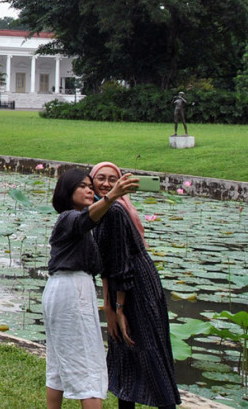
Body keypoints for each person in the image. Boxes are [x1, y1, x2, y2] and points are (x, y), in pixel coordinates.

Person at [44, 168, 137, 409]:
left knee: (58, 364)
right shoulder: (69, 218)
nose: (89, 190)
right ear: (67, 192)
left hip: (60, 289)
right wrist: (112, 195)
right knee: (89, 367)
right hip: (73, 291)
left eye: (90, 186)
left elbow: (95, 219)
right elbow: (86, 219)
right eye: (82, 186)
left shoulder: (78, 223)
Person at [92, 166, 181, 409]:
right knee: (124, 356)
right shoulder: (101, 210)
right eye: (101, 178)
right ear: (91, 181)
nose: (106, 184)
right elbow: (108, 265)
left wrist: (119, 308)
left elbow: (122, 265)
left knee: (148, 352)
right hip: (122, 285)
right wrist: (109, 307)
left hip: (136, 287)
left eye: (112, 179)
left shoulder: (114, 211)